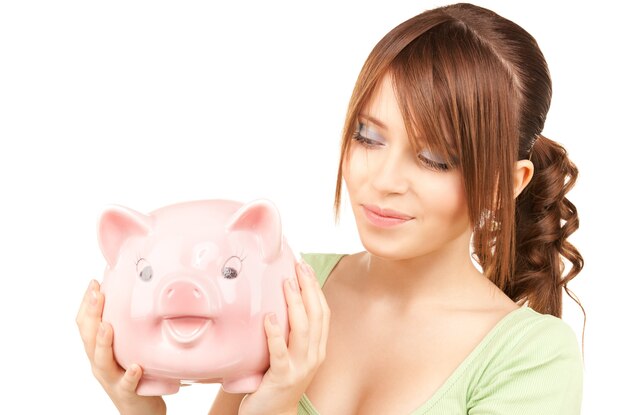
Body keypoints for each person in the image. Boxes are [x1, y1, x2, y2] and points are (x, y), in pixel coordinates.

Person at [76, 3, 584, 414]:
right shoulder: (288, 288)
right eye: (368, 136)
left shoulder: (531, 359)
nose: (382, 181)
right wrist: (139, 408)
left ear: (507, 183)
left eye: (435, 159)